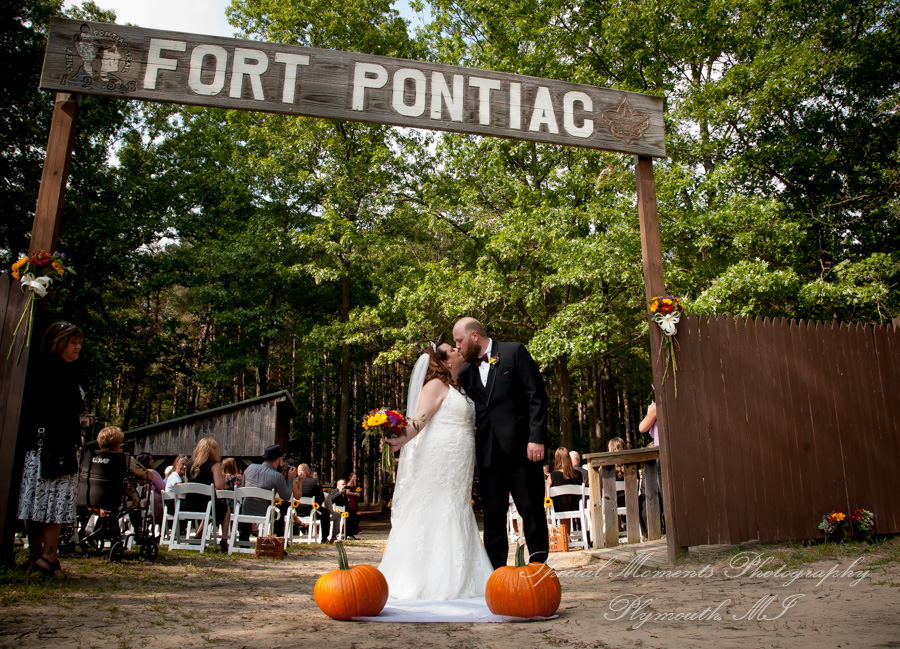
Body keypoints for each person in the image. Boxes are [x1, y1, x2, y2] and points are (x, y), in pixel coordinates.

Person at [379, 342, 494, 599]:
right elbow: (419, 419)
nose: (457, 349)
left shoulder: (460, 386)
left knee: (457, 505)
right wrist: (399, 439)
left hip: (460, 460)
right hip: (439, 456)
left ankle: (462, 573)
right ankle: (424, 578)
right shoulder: (435, 385)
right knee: (437, 505)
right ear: (445, 361)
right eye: (452, 350)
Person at [453, 317, 550, 568]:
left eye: (459, 340)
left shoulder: (513, 351)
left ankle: (538, 564)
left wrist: (536, 438)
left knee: (530, 509)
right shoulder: (465, 371)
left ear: (474, 336)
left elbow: (536, 396)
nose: (458, 346)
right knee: (494, 515)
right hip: (487, 453)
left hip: (522, 450)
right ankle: (496, 572)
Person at [16, 322, 88, 578]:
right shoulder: (63, 372)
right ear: (59, 343)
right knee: (55, 503)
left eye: (79, 342)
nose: (78, 347)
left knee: (35, 501)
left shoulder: (39, 368)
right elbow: (72, 407)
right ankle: (49, 556)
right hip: (57, 446)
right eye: (73, 342)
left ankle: (34, 552)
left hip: (37, 446)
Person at [238, 445, 296, 543]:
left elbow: (243, 489)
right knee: (280, 508)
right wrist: (290, 479)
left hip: (245, 509)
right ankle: (277, 541)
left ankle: (243, 538)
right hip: (265, 513)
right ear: (277, 460)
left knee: (246, 504)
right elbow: (286, 497)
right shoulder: (277, 476)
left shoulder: (250, 468)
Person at [184, 437, 230, 550]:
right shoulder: (214, 465)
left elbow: (186, 484)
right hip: (206, 505)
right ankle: (224, 539)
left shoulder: (190, 465)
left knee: (212, 507)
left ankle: (198, 536)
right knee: (225, 508)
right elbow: (220, 486)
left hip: (188, 504)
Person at [296, 463, 328, 543]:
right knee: (326, 512)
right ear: (307, 472)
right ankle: (324, 538)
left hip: (295, 511)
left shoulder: (293, 481)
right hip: (310, 510)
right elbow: (321, 498)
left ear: (297, 472)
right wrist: (316, 506)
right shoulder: (314, 481)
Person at [545, 447, 583, 512]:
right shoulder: (579, 474)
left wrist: (547, 508)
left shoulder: (553, 475)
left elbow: (546, 494)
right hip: (576, 507)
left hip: (559, 509)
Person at [344, 473, 361, 537]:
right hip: (350, 500)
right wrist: (355, 494)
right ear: (350, 477)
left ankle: (352, 532)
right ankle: (349, 533)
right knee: (351, 515)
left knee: (354, 515)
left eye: (355, 477)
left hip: (353, 500)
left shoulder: (353, 484)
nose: (355, 478)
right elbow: (347, 492)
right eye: (354, 477)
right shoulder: (349, 483)